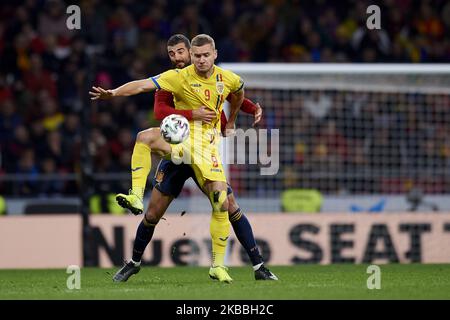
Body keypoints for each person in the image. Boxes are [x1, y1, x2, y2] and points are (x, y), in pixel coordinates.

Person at [90, 34, 277, 283]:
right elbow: (151, 99)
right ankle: (133, 258)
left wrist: (243, 114)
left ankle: (257, 266)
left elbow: (235, 93)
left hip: (205, 149)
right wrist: (113, 93)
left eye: (183, 53)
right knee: (153, 211)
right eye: (172, 53)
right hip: (179, 148)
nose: (179, 58)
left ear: (205, 54)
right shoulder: (174, 78)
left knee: (226, 204)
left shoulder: (223, 78)